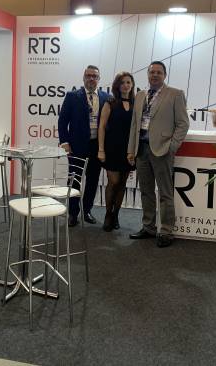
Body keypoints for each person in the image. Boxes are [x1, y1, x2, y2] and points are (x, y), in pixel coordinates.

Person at [127, 61, 189, 248]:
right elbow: (135, 125)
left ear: (165, 75)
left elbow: (183, 123)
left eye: (158, 72)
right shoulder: (140, 95)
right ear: (147, 74)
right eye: (152, 72)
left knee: (165, 193)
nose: (154, 75)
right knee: (146, 191)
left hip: (162, 150)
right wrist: (131, 150)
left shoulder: (175, 94)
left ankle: (167, 231)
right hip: (142, 150)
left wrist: (172, 146)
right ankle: (149, 227)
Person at [58, 65, 108, 227]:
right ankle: (73, 213)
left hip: (97, 146)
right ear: (83, 77)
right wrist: (65, 143)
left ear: (99, 79)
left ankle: (87, 211)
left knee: (93, 180)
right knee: (74, 179)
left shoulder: (106, 98)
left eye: (94, 76)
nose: (91, 79)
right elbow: (62, 121)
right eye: (88, 75)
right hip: (76, 146)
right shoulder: (72, 96)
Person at [97, 71, 135, 232]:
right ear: (117, 86)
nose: (125, 85)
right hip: (111, 148)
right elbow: (102, 127)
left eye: (128, 82)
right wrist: (101, 149)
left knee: (122, 184)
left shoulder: (136, 104)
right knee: (113, 182)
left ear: (132, 85)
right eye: (122, 82)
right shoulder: (110, 103)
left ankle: (116, 215)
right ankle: (108, 215)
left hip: (129, 150)